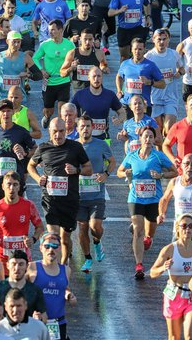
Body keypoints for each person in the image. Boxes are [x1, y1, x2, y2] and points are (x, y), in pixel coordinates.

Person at [27, 118, 92, 264]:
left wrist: (77, 170)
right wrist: (38, 179)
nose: (58, 135)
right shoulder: (43, 147)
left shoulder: (76, 147)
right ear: (49, 131)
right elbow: (30, 166)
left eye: (61, 131)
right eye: (55, 131)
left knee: (65, 238)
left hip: (70, 200)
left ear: (66, 131)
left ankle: (63, 266)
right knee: (54, 235)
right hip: (50, 199)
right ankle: (53, 266)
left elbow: (89, 168)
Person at [117, 126, 177, 279]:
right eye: (146, 136)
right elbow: (118, 172)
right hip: (135, 197)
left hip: (153, 199)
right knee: (137, 229)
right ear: (141, 138)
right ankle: (139, 264)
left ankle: (148, 239)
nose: (148, 139)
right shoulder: (131, 156)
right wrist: (125, 173)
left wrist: (161, 175)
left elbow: (175, 172)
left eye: (151, 137)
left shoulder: (158, 156)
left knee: (149, 232)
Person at [149, 213, 192, 340]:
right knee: (174, 336)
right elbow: (152, 272)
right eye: (184, 226)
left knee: (190, 336)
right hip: (174, 294)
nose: (187, 229)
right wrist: (163, 267)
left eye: (191, 226)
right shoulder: (169, 249)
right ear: (178, 228)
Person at [74, 114, 115, 272]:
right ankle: (88, 258)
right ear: (77, 129)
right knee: (83, 227)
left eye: (88, 126)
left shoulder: (101, 144)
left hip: (97, 194)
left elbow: (112, 161)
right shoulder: (73, 146)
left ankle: (97, 242)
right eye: (82, 126)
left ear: (93, 128)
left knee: (95, 226)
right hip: (79, 195)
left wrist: (106, 174)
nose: (85, 129)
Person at [27, 232, 76, 340]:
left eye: (54, 246)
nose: (51, 250)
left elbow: (64, 288)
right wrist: (33, 310)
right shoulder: (31, 267)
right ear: (41, 248)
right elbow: (21, 292)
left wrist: (69, 295)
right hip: (36, 322)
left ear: (59, 249)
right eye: (47, 246)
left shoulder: (66, 270)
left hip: (58, 323)